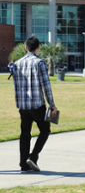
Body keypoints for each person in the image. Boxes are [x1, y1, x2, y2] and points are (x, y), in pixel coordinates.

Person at [12, 36, 58, 173]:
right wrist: (52, 105)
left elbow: (16, 85)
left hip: (23, 106)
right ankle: (33, 156)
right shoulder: (39, 63)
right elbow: (46, 86)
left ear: (26, 48)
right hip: (37, 104)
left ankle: (23, 164)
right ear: (38, 48)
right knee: (45, 129)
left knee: (25, 134)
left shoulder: (17, 64)